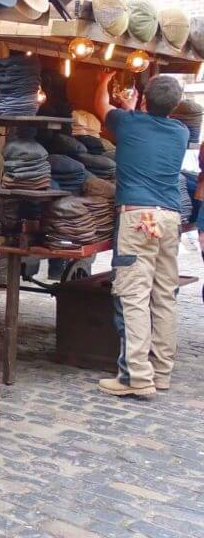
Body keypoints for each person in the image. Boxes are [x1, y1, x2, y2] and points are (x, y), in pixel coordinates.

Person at [94, 70, 187, 397]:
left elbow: (100, 105)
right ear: (174, 107)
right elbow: (149, 122)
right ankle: (161, 373)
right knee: (164, 296)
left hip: (137, 217)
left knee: (134, 295)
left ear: (145, 99)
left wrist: (103, 81)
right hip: (170, 218)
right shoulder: (180, 132)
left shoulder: (129, 123)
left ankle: (136, 376)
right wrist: (138, 106)